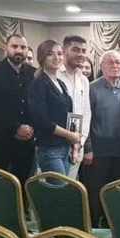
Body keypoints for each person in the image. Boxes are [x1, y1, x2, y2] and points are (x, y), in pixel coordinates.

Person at [83, 50, 120, 227]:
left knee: (114, 192)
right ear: (102, 66)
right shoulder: (91, 89)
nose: (115, 66)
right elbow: (86, 120)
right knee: (95, 192)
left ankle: (110, 226)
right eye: (110, 62)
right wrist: (88, 148)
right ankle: (93, 227)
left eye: (118, 62)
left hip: (119, 151)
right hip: (97, 152)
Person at [0, 33, 35, 190]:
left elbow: (36, 105)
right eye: (14, 46)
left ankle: (20, 207)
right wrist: (16, 128)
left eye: (23, 47)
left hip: (26, 140)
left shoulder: (34, 73)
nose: (19, 50)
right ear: (6, 48)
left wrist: (29, 129)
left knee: (22, 184)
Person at [27, 40, 79, 177]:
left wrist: (74, 141)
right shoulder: (38, 84)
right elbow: (42, 121)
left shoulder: (61, 84)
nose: (57, 57)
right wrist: (70, 135)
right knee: (59, 188)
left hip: (65, 147)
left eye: (60, 54)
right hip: (49, 149)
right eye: (51, 54)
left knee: (64, 188)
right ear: (42, 57)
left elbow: (68, 114)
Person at [58, 35, 92, 179]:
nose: (81, 54)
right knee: (50, 186)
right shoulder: (53, 74)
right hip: (55, 144)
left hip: (76, 145)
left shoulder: (83, 80)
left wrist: (80, 142)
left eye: (83, 51)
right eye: (75, 50)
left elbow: (86, 113)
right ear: (64, 50)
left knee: (69, 186)